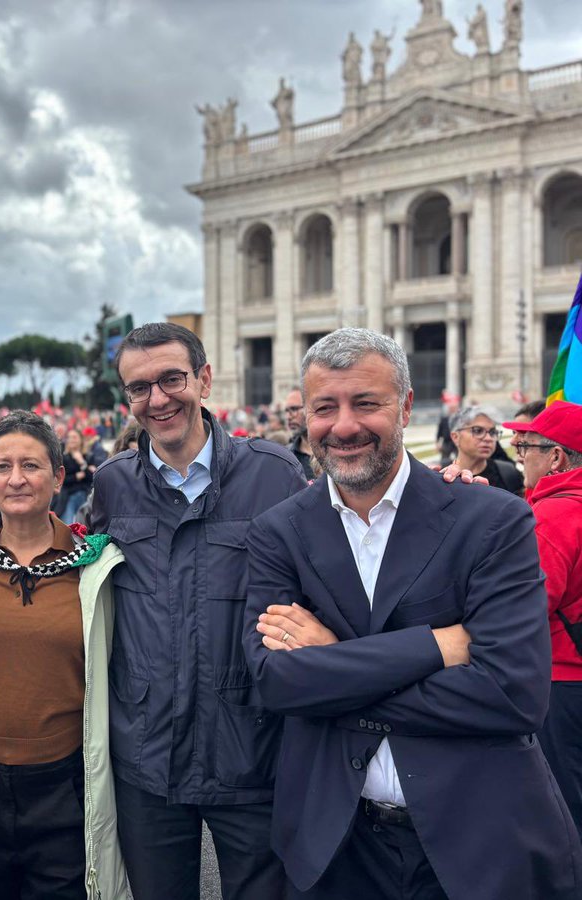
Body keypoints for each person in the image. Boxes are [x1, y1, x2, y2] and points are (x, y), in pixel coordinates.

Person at [244, 328, 581, 899]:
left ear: (405, 407)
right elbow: (276, 682)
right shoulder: (278, 531)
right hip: (338, 844)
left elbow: (514, 693)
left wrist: (333, 664)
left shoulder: (493, 519)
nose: (343, 426)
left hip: (478, 837)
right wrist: (435, 647)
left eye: (365, 403)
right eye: (325, 408)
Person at [89, 322, 308, 900]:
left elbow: (336, 564)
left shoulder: (276, 474)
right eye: (140, 387)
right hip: (148, 756)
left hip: (252, 749)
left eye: (171, 379)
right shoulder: (113, 483)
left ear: (204, 380)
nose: (158, 399)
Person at [0, 411, 129, 900]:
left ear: (58, 477)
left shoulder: (99, 564)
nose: (16, 479)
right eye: (2, 467)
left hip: (66, 787)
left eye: (31, 465)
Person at [504, 401, 582, 834]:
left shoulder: (553, 514)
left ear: (555, 457)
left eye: (526, 447)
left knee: (562, 808)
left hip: (562, 679)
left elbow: (526, 607)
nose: (520, 456)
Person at [449, 405, 524, 495]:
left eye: (492, 432)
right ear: (455, 437)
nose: (488, 438)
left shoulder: (509, 473)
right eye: (478, 431)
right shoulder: (443, 475)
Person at [58, 429, 92, 525]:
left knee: (85, 526)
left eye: (74, 437)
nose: (71, 440)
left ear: (81, 440)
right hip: (68, 496)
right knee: (68, 525)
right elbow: (61, 479)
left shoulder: (88, 456)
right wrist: (76, 477)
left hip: (85, 495)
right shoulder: (63, 458)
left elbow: (92, 478)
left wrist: (82, 462)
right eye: (69, 437)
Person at [282, 386, 315, 480]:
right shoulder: (286, 456)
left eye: (294, 409)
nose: (288, 417)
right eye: (287, 411)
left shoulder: (331, 452)